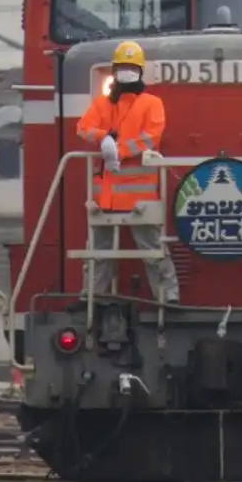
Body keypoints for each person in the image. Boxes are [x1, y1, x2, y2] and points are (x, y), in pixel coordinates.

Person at [77, 39, 180, 303]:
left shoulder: (152, 104)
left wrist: (118, 150)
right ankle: (90, 298)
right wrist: (103, 138)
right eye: (123, 66)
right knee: (98, 252)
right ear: (114, 70)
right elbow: (83, 128)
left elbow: (151, 137)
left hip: (140, 198)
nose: (127, 72)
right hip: (105, 196)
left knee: (153, 250)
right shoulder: (101, 105)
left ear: (140, 71)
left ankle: (168, 297)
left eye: (131, 67)